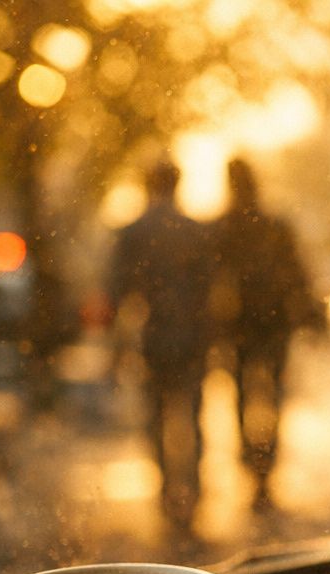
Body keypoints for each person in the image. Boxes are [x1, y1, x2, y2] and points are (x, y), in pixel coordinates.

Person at [108, 160, 214, 531]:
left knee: (156, 415)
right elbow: (212, 289)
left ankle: (167, 490)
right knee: (193, 414)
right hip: (193, 336)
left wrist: (117, 348)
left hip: (155, 336)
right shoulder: (196, 231)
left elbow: (119, 291)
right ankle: (193, 490)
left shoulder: (134, 232)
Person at [211, 158, 321, 511]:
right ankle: (265, 468)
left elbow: (213, 279)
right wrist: (308, 312)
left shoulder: (224, 227)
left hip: (240, 324)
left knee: (243, 395)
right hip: (273, 322)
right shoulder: (274, 224)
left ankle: (251, 461)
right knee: (273, 394)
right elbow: (297, 273)